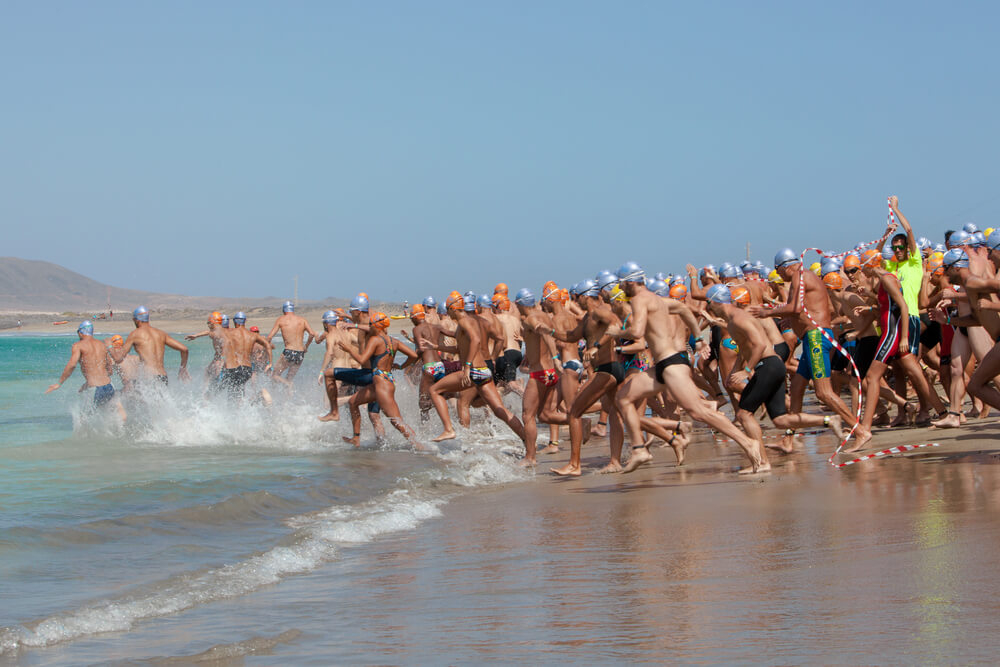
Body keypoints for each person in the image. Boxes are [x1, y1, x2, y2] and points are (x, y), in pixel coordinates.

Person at [607, 262, 765, 474]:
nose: (621, 288)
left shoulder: (639, 299)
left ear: (629, 282)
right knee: (623, 397)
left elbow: (636, 332)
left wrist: (617, 333)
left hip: (672, 364)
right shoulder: (657, 300)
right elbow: (683, 308)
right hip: (664, 365)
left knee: (697, 412)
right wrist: (698, 338)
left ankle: (748, 442)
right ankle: (639, 449)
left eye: (622, 284)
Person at [704, 285, 843, 452]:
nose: (708, 307)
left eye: (708, 303)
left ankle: (761, 461)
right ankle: (829, 421)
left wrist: (747, 371)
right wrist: (735, 371)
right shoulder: (733, 321)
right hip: (772, 366)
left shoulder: (739, 318)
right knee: (780, 420)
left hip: (768, 365)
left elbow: (760, 345)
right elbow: (744, 349)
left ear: (715, 301)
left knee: (743, 414)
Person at [428, 293, 527, 443]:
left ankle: (450, 431)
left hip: (473, 371)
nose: (447, 313)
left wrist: (467, 366)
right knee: (500, 410)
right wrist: (436, 346)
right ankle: (527, 439)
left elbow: (475, 339)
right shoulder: (479, 321)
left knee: (436, 391)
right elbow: (497, 339)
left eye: (448, 309)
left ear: (453, 308)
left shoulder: (464, 322)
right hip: (485, 371)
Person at [337, 311, 422, 448]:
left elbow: (362, 359)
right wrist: (401, 366)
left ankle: (419, 445)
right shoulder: (394, 341)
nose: (369, 327)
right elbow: (413, 355)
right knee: (353, 402)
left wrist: (348, 349)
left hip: (382, 384)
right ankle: (356, 438)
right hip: (384, 381)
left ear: (378, 326)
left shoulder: (375, 340)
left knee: (396, 421)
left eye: (371, 324)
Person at [516, 288, 569, 465]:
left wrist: (556, 359)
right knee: (545, 415)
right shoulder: (546, 316)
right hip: (550, 373)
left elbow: (545, 335)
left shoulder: (531, 319)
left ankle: (530, 457)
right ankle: (577, 421)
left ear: (520, 304)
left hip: (540, 373)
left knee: (527, 416)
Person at [45, 321, 126, 420]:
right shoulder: (101, 345)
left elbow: (72, 365)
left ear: (80, 333)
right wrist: (88, 383)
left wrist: (59, 383)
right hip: (108, 386)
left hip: (94, 389)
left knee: (84, 420)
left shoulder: (78, 346)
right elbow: (109, 369)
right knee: (114, 416)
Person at [121, 306, 190, 384]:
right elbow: (184, 349)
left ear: (137, 320)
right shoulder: (161, 333)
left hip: (148, 377)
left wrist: (110, 347)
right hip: (162, 377)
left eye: (133, 320)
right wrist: (183, 369)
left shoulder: (135, 334)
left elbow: (120, 357)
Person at [221, 312, 272, 399]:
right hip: (247, 370)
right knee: (240, 390)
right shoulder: (253, 335)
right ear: (245, 321)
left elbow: (215, 332)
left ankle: (234, 409)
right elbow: (268, 345)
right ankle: (257, 398)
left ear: (235, 322)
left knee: (231, 392)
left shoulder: (231, 332)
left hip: (234, 368)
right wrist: (270, 363)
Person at [267, 301, 317, 384]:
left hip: (289, 351)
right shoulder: (302, 320)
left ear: (284, 310)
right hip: (300, 353)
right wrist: (306, 346)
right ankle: (288, 394)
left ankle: (275, 393)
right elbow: (312, 334)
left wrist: (266, 348)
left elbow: (269, 337)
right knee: (289, 378)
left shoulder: (281, 319)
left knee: (275, 375)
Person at [185, 312, 228, 391]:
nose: (208, 325)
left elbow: (208, 333)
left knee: (214, 378)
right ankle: (208, 395)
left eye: (208, 323)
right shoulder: (223, 331)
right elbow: (208, 332)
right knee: (207, 372)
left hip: (221, 359)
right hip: (219, 358)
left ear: (213, 322)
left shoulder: (217, 332)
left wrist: (196, 335)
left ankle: (208, 396)